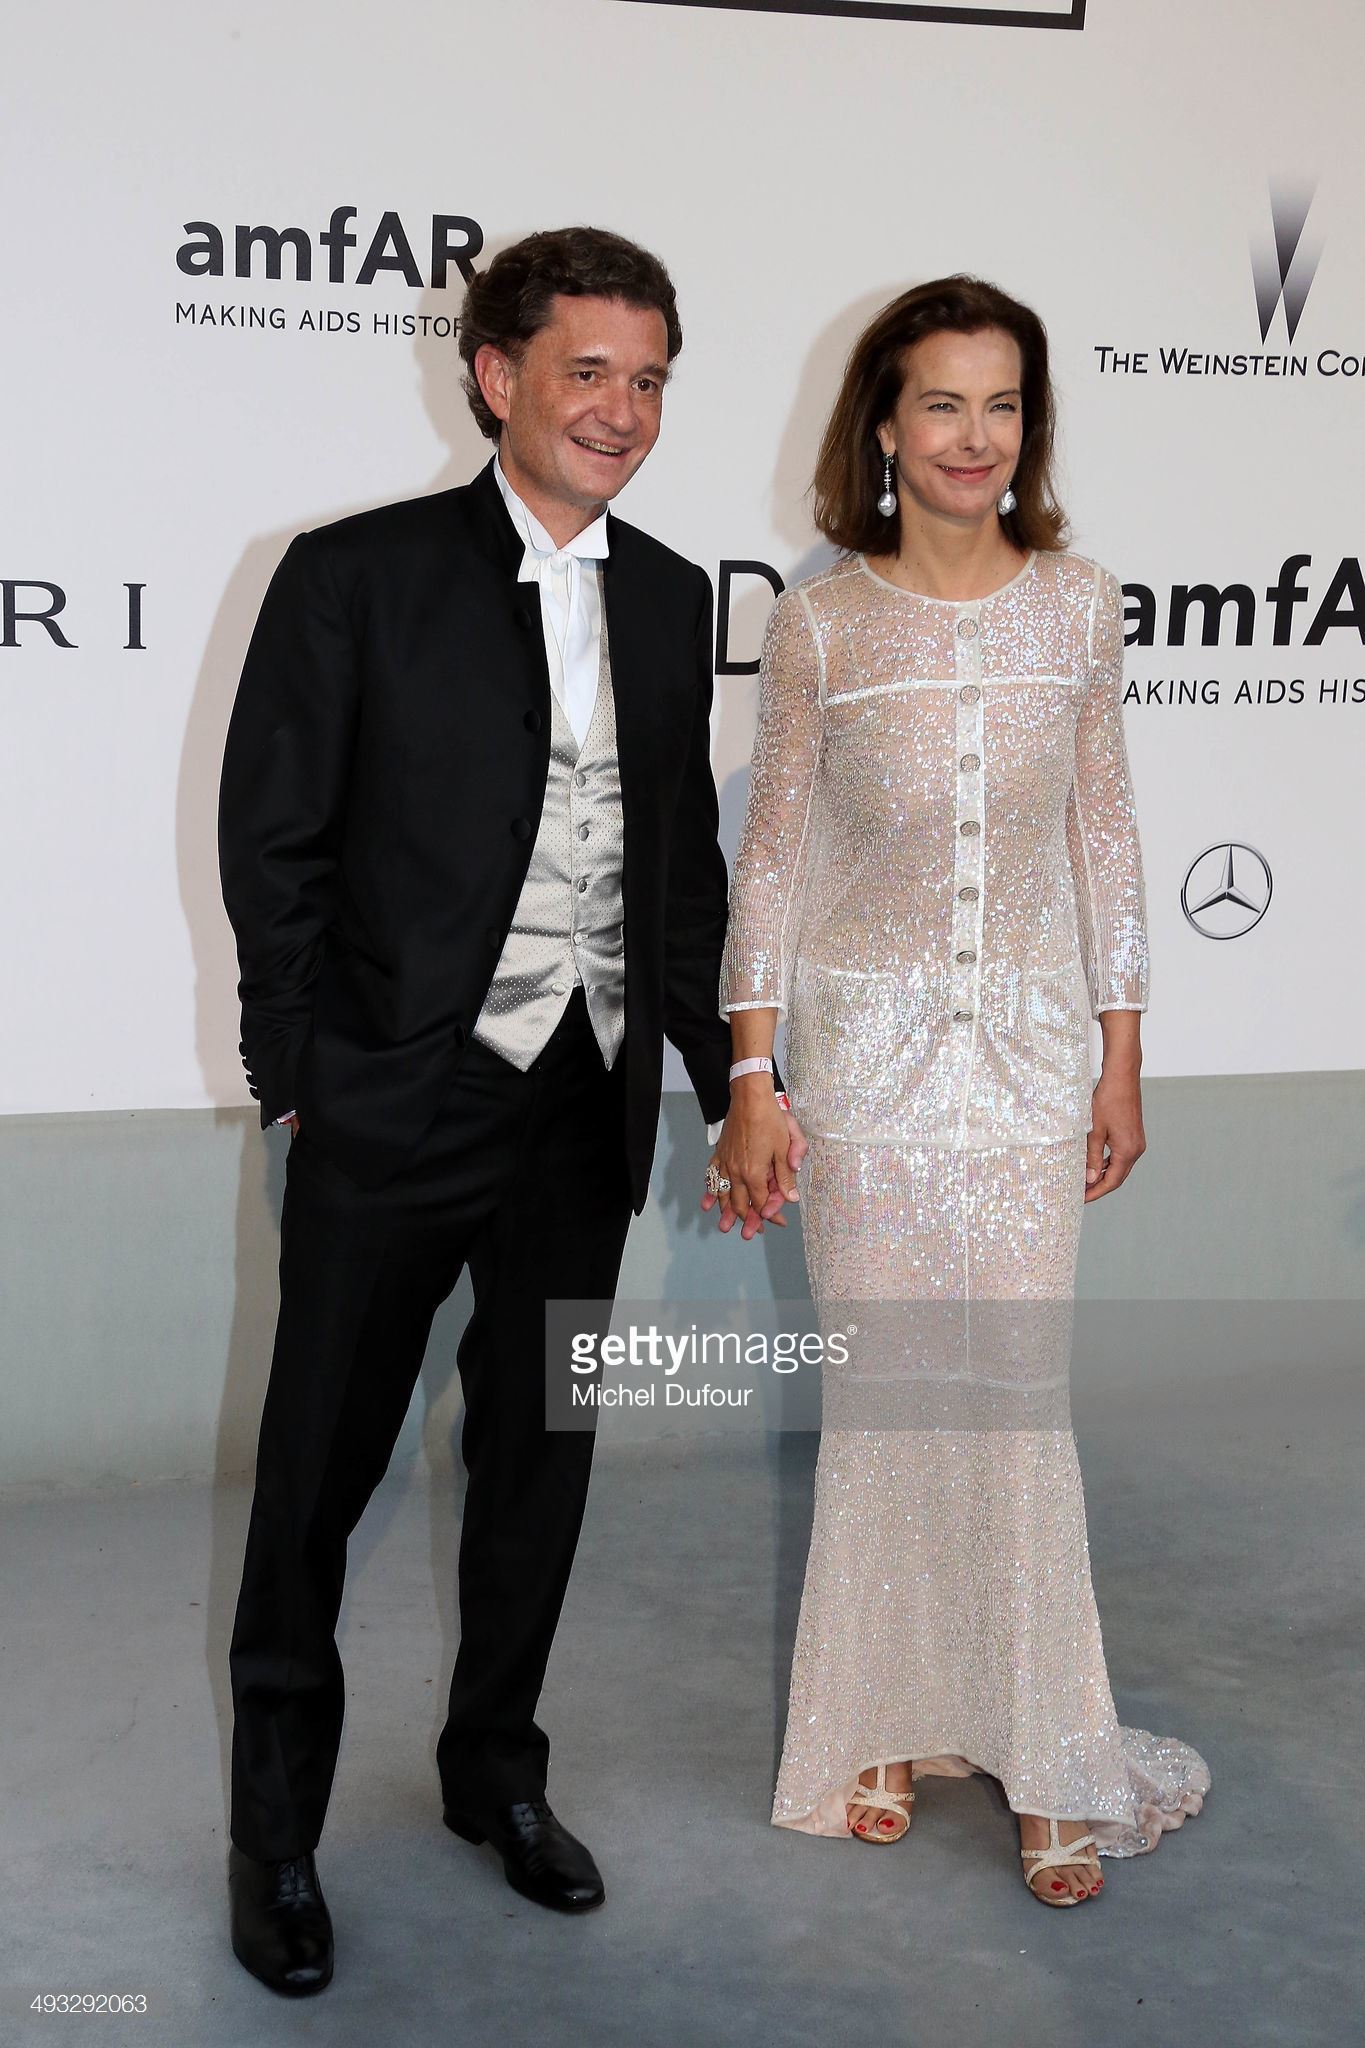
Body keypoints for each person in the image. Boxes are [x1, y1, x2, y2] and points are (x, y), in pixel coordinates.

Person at [218, 225, 747, 1994]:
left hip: (579, 1113)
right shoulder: (351, 576)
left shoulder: (670, 598)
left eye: (649, 379)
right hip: (394, 1103)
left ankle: (494, 1776)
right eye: (587, 371)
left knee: (538, 1465)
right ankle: (274, 1839)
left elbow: (674, 874)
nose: (622, 410)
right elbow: (274, 847)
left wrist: (728, 1077)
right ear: (496, 374)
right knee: (315, 1481)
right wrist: (299, 1083)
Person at [707, 277, 1210, 1905]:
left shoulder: (1080, 605)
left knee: (1012, 1407)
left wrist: (1121, 1049)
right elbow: (773, 862)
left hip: (1027, 1071)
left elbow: (1105, 836)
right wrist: (751, 1074)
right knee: (887, 1405)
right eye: (941, 403)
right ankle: (882, 1718)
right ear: (883, 423)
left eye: (1002, 406)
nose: (972, 438)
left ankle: (1049, 1753)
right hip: (859, 1074)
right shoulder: (821, 626)